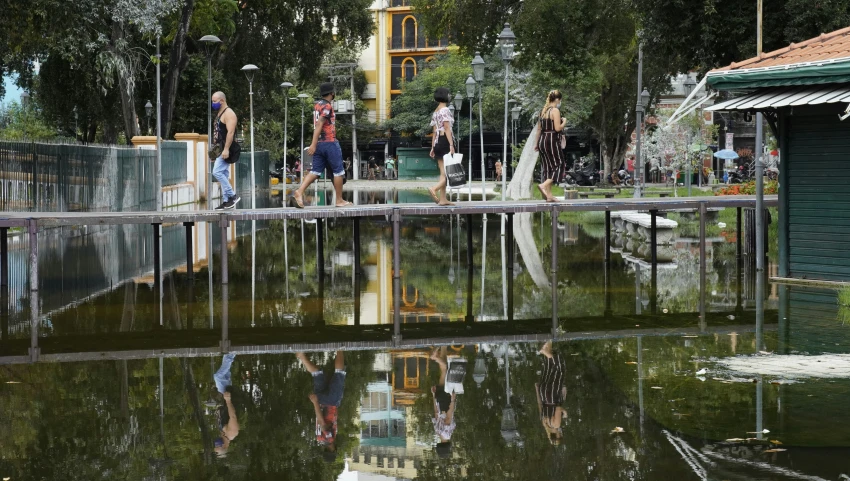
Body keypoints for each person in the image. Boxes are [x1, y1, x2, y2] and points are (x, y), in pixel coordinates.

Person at [291, 83, 351, 208]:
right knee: (339, 172)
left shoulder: (317, 105)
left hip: (319, 144)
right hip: (329, 143)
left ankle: (299, 191)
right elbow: (319, 124)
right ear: (332, 93)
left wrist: (315, 144)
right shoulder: (327, 106)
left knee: (315, 171)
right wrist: (312, 144)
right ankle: (339, 200)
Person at [297, 350, 346, 463]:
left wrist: (314, 402)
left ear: (332, 451)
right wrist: (316, 402)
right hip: (321, 403)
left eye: (335, 451)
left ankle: (340, 347)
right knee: (318, 374)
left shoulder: (329, 438)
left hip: (331, 403)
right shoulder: (319, 439)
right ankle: (302, 357)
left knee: (339, 373)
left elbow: (322, 423)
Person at [534, 90, 567, 202]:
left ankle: (549, 196)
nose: (560, 102)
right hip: (551, 140)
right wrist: (564, 122)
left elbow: (539, 129)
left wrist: (536, 143)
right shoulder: (555, 110)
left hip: (542, 140)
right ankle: (543, 185)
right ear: (557, 100)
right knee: (560, 163)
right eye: (560, 100)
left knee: (548, 167)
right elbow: (557, 128)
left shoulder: (543, 111)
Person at [210, 91, 241, 209]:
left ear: (222, 101)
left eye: (214, 101)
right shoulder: (220, 113)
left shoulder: (229, 113)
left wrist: (226, 149)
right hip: (220, 148)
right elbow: (217, 133)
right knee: (223, 173)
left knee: (217, 172)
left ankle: (233, 196)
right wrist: (214, 152)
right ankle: (226, 200)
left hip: (227, 148)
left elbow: (231, 132)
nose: (213, 104)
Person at [427, 87, 455, 206]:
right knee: (449, 173)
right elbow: (447, 128)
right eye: (449, 94)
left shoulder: (436, 111)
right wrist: (451, 144)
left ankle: (443, 199)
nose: (450, 96)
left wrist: (433, 147)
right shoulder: (445, 110)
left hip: (438, 141)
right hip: (445, 141)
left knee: (443, 172)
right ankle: (434, 188)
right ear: (445, 96)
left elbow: (434, 131)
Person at [536, 341, 566, 445]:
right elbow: (540, 404)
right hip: (543, 393)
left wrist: (564, 412)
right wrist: (537, 389)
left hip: (552, 395)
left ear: (557, 435)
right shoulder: (545, 423)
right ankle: (548, 343)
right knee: (549, 369)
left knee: (560, 369)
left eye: (560, 435)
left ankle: (544, 350)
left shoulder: (556, 425)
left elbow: (557, 408)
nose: (561, 434)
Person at [429, 347, 456, 457]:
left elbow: (449, 416)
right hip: (439, 401)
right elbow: (435, 413)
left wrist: (453, 399)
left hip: (446, 400)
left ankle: (434, 357)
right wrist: (433, 396)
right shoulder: (437, 431)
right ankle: (444, 345)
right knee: (444, 369)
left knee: (445, 370)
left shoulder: (447, 433)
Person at [213, 353, 240, 457]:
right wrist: (228, 400)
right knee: (218, 376)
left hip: (223, 398)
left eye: (215, 445)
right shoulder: (232, 433)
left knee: (225, 375)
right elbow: (233, 416)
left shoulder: (223, 434)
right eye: (218, 445)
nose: (217, 442)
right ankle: (231, 353)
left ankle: (229, 352)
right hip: (228, 398)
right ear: (225, 446)